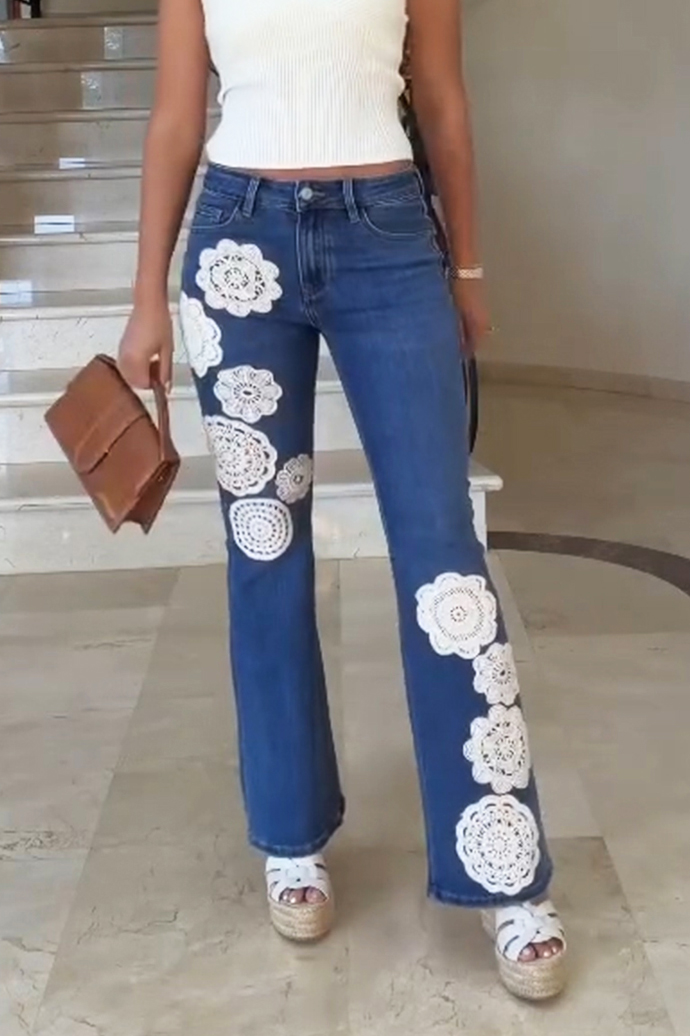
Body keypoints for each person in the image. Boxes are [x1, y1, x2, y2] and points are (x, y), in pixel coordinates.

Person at [118, 0, 567, 1001]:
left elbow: (442, 99)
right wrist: (146, 295)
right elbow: (176, 118)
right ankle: (291, 837)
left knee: (444, 561)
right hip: (237, 245)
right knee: (264, 548)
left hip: (389, 239)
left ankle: (505, 869)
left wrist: (469, 266)